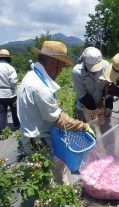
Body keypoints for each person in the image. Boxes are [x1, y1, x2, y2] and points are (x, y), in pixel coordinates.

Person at [17, 41, 94, 181]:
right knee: (50, 181)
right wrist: (83, 125)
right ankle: (58, 201)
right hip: (39, 142)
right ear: (53, 62)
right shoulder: (39, 87)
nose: (61, 71)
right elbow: (58, 120)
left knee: (58, 171)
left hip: (40, 136)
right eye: (62, 66)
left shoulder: (33, 76)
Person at [72, 47, 119, 130]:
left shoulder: (106, 65)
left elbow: (108, 88)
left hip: (102, 105)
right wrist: (97, 109)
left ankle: (107, 142)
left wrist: (107, 106)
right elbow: (83, 95)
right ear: (85, 62)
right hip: (85, 107)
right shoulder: (77, 71)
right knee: (89, 131)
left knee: (106, 129)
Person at [0, 49, 20, 133]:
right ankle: (16, 125)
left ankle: (1, 130)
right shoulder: (10, 68)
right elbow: (13, 82)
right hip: (10, 94)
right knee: (14, 110)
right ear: (8, 58)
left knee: (1, 112)